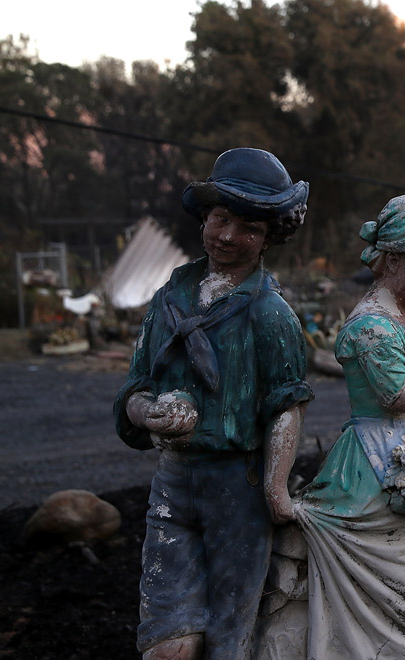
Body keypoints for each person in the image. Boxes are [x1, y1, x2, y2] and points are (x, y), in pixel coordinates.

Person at [257, 189, 405, 659]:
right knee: (383, 597)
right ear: (394, 260)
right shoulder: (370, 326)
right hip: (370, 469)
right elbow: (398, 396)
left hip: (399, 459)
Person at [114, 147, 314, 660]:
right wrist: (148, 414)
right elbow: (135, 387)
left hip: (239, 487)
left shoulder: (271, 315)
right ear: (205, 217)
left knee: (231, 633)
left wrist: (275, 487)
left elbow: (287, 405)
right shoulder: (169, 299)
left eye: (247, 227)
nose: (228, 236)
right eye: (221, 219)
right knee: (168, 644)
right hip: (174, 482)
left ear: (269, 236)